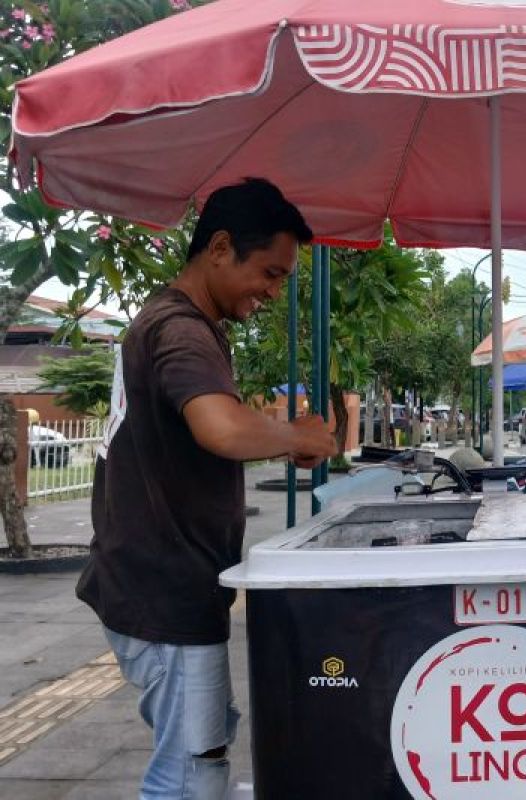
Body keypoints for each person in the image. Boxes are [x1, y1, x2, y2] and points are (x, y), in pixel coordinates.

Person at [78, 178, 339, 800]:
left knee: (205, 750)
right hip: (164, 592)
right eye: (270, 274)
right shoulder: (181, 329)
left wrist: (278, 440)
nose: (274, 293)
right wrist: (291, 434)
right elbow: (218, 425)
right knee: (190, 772)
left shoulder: (180, 321)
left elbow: (208, 430)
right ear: (220, 247)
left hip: (168, 585)